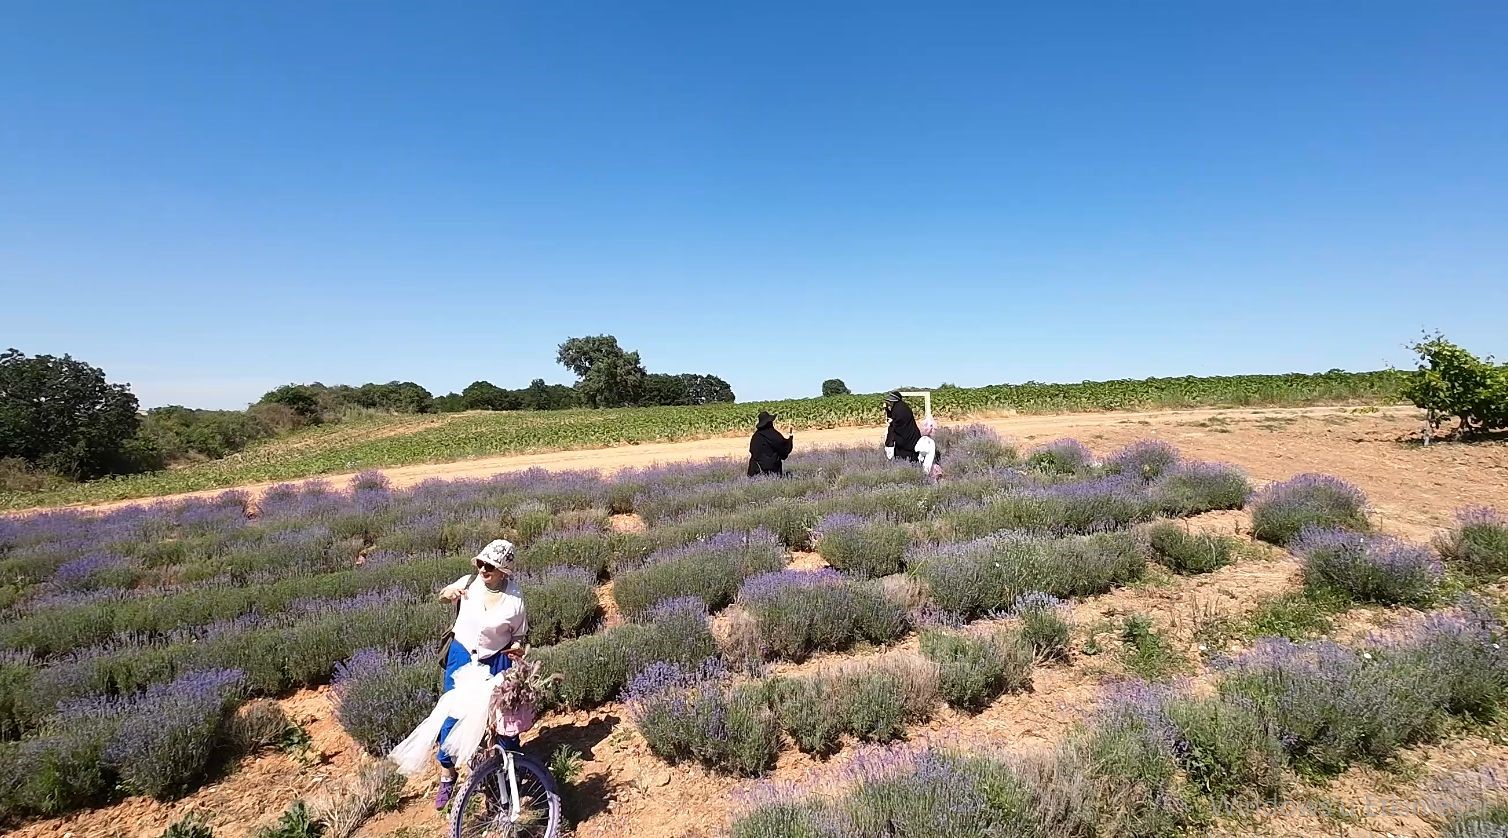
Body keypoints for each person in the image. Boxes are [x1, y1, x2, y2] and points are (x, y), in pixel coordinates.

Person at [431, 539, 528, 809]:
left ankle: (509, 770)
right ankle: (447, 774)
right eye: (481, 563)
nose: (483, 569)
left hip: (496, 661)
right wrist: (448, 593)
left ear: (504, 571)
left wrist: (518, 648)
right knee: (453, 716)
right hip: (461, 658)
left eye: (490, 566)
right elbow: (443, 595)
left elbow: (519, 634)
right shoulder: (469, 584)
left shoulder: (515, 599)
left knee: (502, 722)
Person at [747, 410, 794, 476]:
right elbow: (784, 449)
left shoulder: (755, 436)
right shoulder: (773, 435)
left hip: (754, 472)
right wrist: (790, 438)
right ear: (769, 423)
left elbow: (752, 450)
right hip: (771, 473)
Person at [884, 391, 921, 463]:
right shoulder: (902, 406)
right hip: (911, 436)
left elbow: (899, 422)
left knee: (906, 456)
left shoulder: (898, 409)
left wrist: (892, 422)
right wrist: (887, 410)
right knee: (910, 455)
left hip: (906, 437)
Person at [916, 418, 943, 482]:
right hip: (927, 468)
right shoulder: (927, 441)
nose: (935, 431)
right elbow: (922, 454)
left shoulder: (924, 440)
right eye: (934, 429)